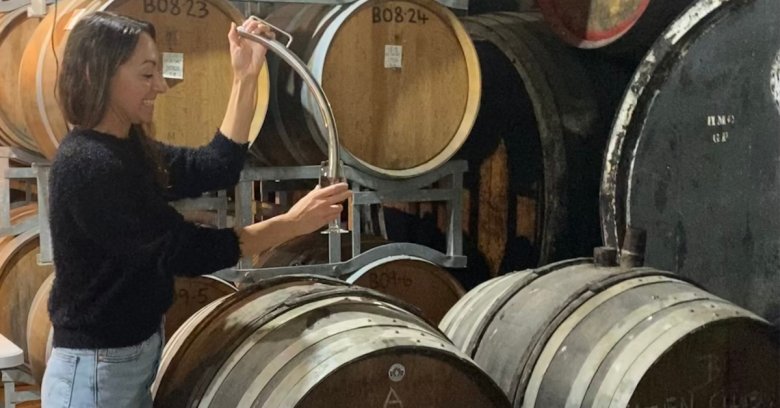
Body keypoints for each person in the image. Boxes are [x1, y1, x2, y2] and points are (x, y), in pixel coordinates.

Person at [41, 11, 350, 408]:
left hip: (120, 360)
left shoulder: (127, 148)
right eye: (147, 74)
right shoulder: (90, 165)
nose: (162, 86)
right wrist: (293, 223)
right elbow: (184, 251)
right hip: (97, 371)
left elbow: (215, 165)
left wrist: (245, 76)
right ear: (97, 74)